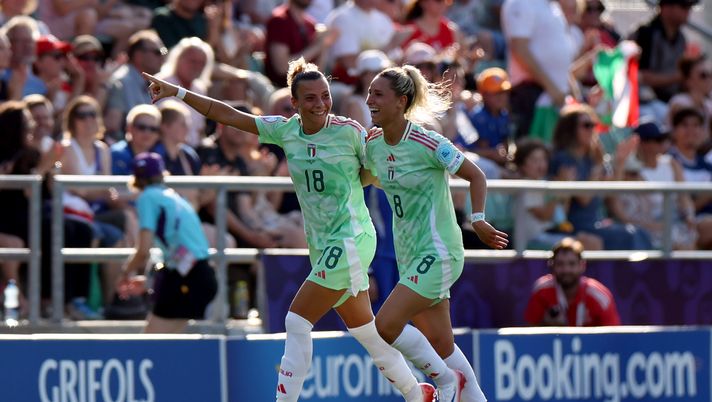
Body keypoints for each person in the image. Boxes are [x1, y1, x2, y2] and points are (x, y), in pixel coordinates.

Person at [144, 58, 436, 402]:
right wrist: (177, 92)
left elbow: (376, 169)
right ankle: (417, 393)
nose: (320, 104)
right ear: (294, 104)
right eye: (310, 98)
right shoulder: (286, 131)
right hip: (324, 244)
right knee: (366, 332)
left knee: (297, 322)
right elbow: (226, 115)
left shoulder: (349, 131)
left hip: (352, 238)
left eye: (325, 96)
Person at [364, 65, 509, 402]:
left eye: (378, 94)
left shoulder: (427, 142)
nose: (369, 100)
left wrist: (478, 219)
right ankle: (461, 386)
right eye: (369, 92)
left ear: (400, 102)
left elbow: (476, 175)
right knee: (444, 347)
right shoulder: (373, 145)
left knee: (384, 325)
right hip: (411, 256)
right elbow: (366, 178)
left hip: (439, 252)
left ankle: (445, 383)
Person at [117, 152, 217, 333]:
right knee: (165, 346)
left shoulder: (147, 197)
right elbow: (174, 253)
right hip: (200, 275)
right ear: (162, 174)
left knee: (151, 347)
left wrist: (125, 272)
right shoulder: (172, 196)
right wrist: (149, 282)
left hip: (188, 277)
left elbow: (143, 250)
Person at [524, 237, 620, 326]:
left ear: (582, 265)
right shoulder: (542, 291)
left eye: (572, 264)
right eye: (560, 264)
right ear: (552, 266)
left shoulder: (599, 297)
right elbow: (530, 333)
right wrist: (547, 326)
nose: (566, 270)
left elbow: (613, 337)